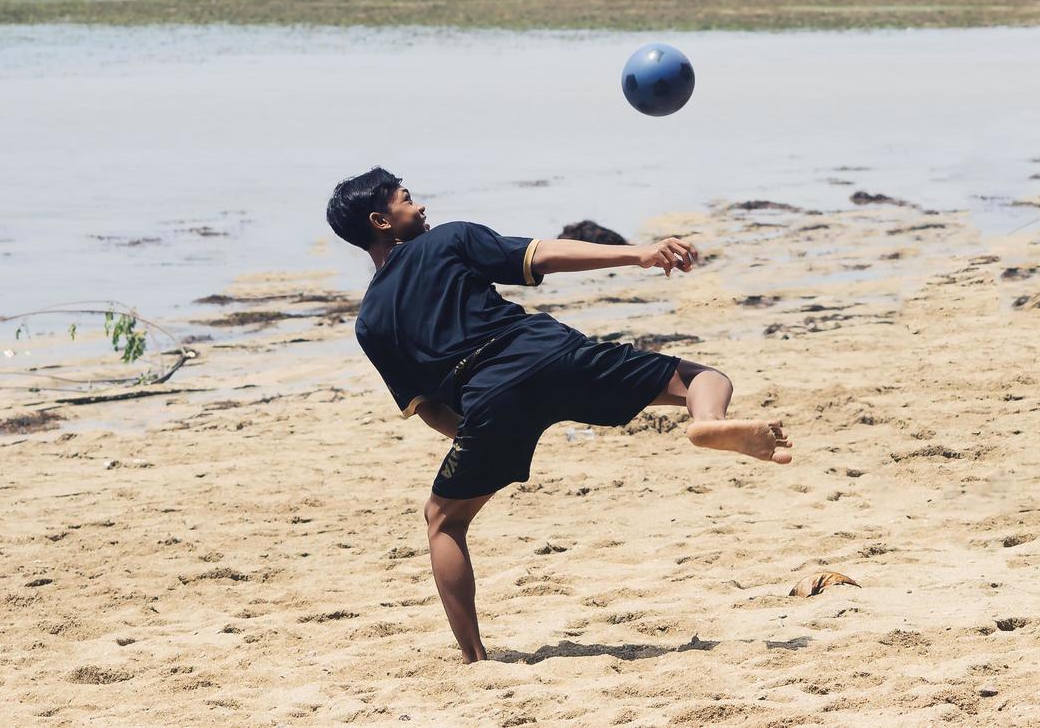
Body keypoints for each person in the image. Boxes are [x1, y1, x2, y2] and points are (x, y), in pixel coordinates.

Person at [326, 167, 792, 663]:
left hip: (487, 398)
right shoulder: (447, 239)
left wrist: (484, 436)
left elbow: (430, 410)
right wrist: (638, 253)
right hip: (551, 353)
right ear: (381, 219)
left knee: (443, 522)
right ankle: (706, 422)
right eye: (407, 200)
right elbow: (542, 253)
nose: (420, 208)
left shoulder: (370, 320)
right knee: (703, 379)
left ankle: (474, 660)